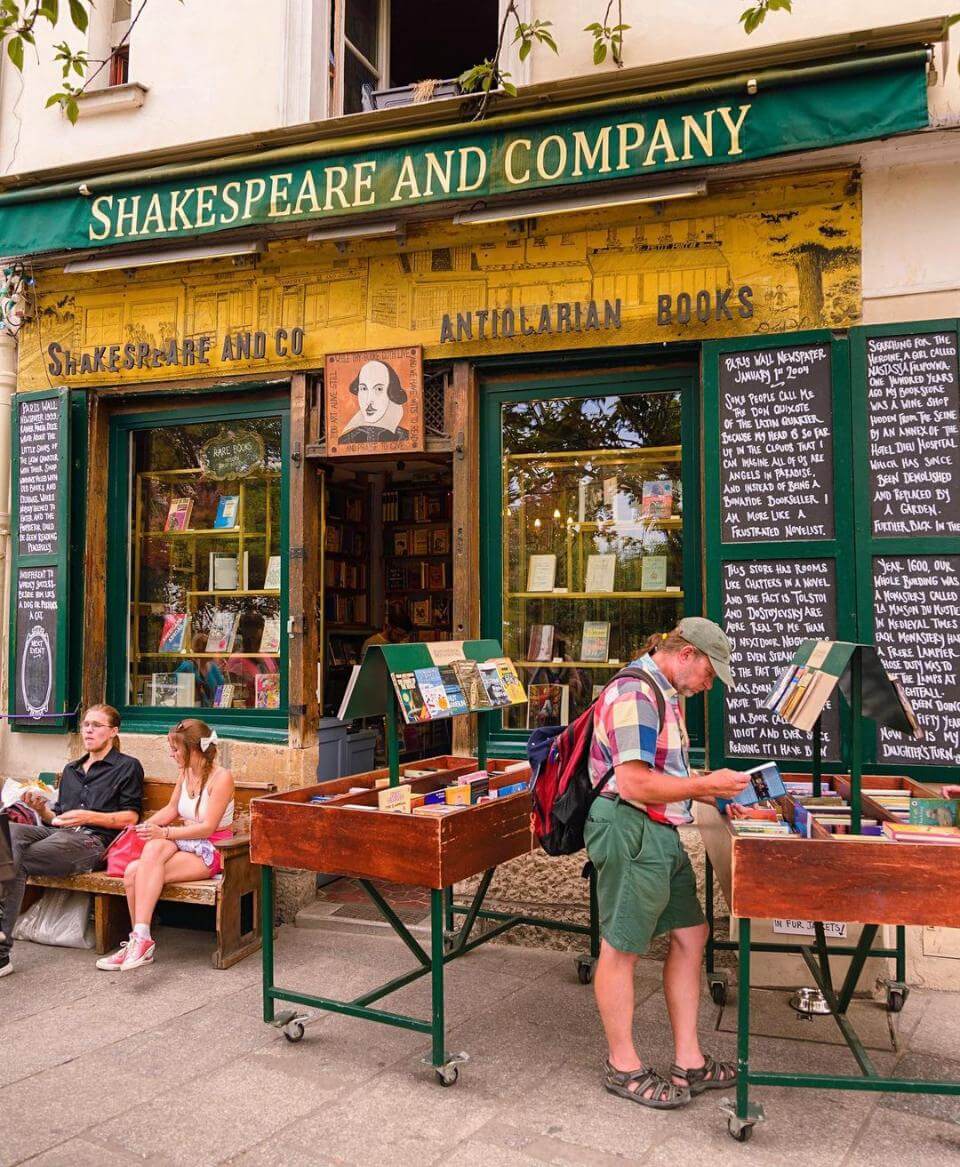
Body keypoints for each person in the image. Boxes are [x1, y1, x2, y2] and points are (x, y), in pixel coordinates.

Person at [584, 617, 751, 1109]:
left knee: (692, 933)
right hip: (630, 826)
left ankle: (689, 1061)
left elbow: (665, 771)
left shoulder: (665, 692)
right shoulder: (636, 695)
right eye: (708, 673)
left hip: (659, 828)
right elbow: (634, 783)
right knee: (621, 948)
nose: (708, 685)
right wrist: (706, 787)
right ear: (685, 656)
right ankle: (623, 1066)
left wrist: (711, 791)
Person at [0, 704, 143, 979]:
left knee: (11, 858)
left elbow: (131, 817)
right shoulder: (72, 768)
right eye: (86, 724)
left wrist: (90, 815)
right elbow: (58, 818)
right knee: (7, 834)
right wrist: (41, 809)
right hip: (60, 834)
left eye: (97, 725)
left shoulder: (127, 766)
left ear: (113, 731)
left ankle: (1, 955)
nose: (88, 729)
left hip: (93, 842)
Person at [96, 718, 235, 972]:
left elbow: (208, 828)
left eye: (175, 749)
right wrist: (141, 829)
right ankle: (139, 937)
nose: (172, 755)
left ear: (193, 749)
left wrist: (165, 832)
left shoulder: (222, 777)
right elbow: (172, 809)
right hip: (184, 839)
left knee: (139, 870)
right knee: (135, 867)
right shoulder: (185, 773)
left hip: (212, 849)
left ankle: (140, 942)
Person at [339, 359, 410, 445]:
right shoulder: (345, 439)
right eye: (363, 388)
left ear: (391, 392)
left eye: (379, 389)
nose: (369, 400)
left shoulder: (405, 437)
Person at [176, 631, 225, 706]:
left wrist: (217, 706)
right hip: (191, 709)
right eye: (211, 649)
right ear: (202, 650)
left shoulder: (213, 667)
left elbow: (220, 689)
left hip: (210, 711)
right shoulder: (188, 666)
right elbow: (172, 684)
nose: (214, 651)